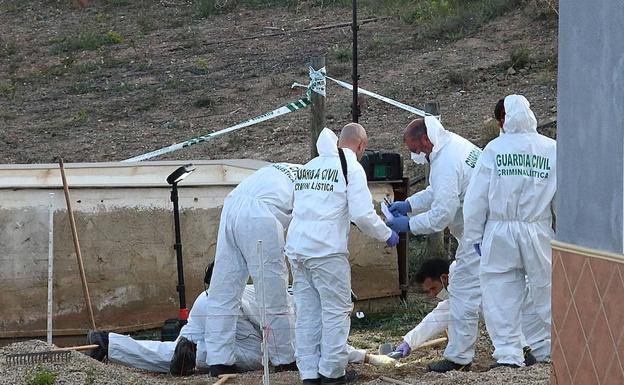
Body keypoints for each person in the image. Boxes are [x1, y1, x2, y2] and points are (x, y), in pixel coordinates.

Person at [285, 124, 399, 385]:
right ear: (361, 145)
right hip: (326, 252)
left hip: (297, 250)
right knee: (335, 311)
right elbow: (361, 214)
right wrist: (386, 234)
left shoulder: (309, 166)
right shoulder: (351, 167)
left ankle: (310, 375)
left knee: (307, 314)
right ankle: (332, 373)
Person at [87, 285, 397, 375]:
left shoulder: (296, 291)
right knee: (247, 356)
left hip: (209, 301)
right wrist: (366, 357)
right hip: (240, 318)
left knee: (180, 348)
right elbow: (325, 347)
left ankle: (108, 344)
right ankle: (191, 361)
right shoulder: (308, 308)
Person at [463, 94, 556, 368]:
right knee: (547, 289)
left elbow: (476, 200)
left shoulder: (494, 150)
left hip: (500, 231)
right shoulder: (552, 149)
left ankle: (508, 355)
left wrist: (474, 236)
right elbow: (563, 196)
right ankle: (558, 348)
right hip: (538, 229)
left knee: (499, 290)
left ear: (503, 119)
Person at [386, 117, 482, 373]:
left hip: (480, 235)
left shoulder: (445, 162)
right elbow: (438, 191)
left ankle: (461, 358)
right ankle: (523, 349)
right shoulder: (452, 146)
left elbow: (442, 214)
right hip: (483, 231)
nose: (414, 154)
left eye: (414, 148)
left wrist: (409, 225)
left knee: (463, 290)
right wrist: (409, 205)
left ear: (426, 140)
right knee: (478, 293)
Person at [201, 162, 302, 376]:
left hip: (233, 203)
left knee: (224, 287)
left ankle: (219, 361)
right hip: (262, 214)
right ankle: (285, 359)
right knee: (273, 292)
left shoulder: (289, 168)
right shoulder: (318, 183)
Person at [392, 258, 550, 363]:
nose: (433, 295)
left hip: (526, 302)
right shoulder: (458, 283)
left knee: (534, 350)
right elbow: (441, 314)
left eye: (433, 288)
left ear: (444, 278)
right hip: (516, 304)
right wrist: (409, 341)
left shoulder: (462, 275)